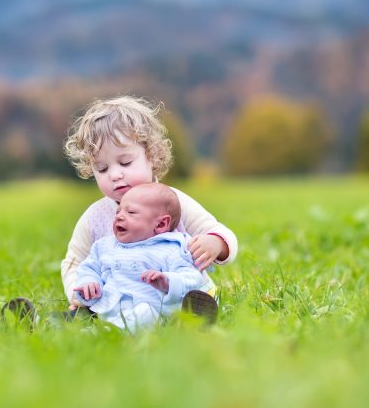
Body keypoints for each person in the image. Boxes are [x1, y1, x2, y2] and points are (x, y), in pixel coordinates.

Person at [61, 96, 238, 319]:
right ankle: (32, 320)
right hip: (119, 305)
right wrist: (78, 290)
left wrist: (215, 243)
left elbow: (221, 233)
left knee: (186, 310)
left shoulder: (175, 202)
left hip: (173, 299)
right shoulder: (95, 217)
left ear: (151, 157)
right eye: (102, 168)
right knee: (84, 318)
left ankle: (195, 316)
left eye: (125, 163)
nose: (115, 175)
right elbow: (75, 262)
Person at [72, 182, 214, 331]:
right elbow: (89, 268)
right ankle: (104, 326)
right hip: (110, 306)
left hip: (152, 310)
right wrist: (89, 282)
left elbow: (192, 277)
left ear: (160, 224)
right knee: (92, 313)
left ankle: (112, 331)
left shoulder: (170, 248)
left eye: (131, 212)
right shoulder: (104, 246)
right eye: (118, 212)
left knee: (145, 313)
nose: (119, 216)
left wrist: (168, 281)